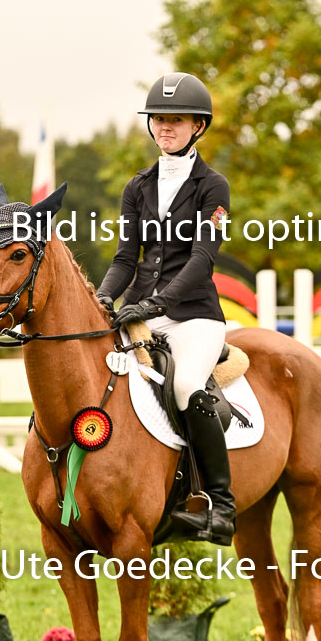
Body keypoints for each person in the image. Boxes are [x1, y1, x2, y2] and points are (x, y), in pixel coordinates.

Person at [96, 72, 236, 546]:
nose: (165, 128)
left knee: (186, 385)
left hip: (194, 315)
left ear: (198, 126)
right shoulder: (137, 187)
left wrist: (158, 302)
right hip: (141, 311)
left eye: (176, 120)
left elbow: (202, 258)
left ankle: (221, 506)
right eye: (158, 119)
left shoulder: (213, 186)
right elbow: (124, 259)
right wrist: (104, 297)